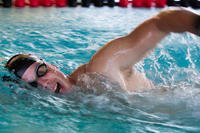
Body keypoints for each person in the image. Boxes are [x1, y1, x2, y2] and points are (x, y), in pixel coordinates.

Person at [5, 8, 200, 94]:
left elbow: (159, 24)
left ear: (53, 65)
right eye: (33, 85)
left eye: (41, 71)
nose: (44, 83)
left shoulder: (102, 68)